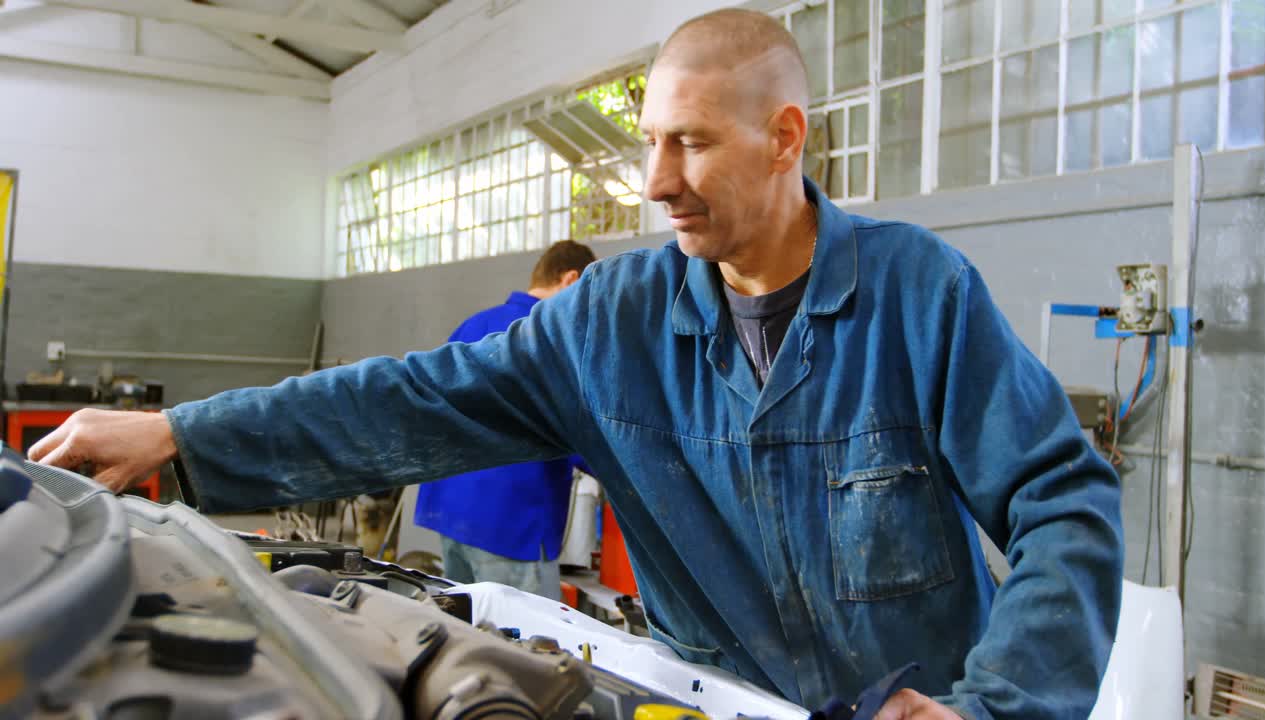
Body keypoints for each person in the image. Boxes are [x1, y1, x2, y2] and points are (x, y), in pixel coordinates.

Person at [31, 9, 1123, 719]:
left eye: (689, 143)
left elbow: (1062, 498)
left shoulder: (913, 294)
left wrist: (1001, 707)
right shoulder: (609, 324)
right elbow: (413, 397)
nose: (654, 182)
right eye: (646, 142)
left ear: (784, 137)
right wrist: (184, 434)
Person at [417, 240, 596, 600]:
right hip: (512, 525)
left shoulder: (474, 324)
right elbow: (576, 431)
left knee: (468, 637)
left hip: (452, 513)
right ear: (571, 280)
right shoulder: (554, 337)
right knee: (530, 648)